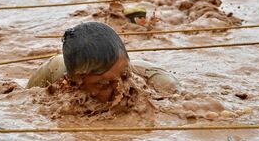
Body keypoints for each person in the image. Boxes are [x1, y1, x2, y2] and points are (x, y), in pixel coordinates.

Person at [27, 22, 180, 102]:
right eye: (103, 85)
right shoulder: (53, 72)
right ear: (73, 81)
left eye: (125, 75)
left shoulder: (162, 85)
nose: (121, 89)